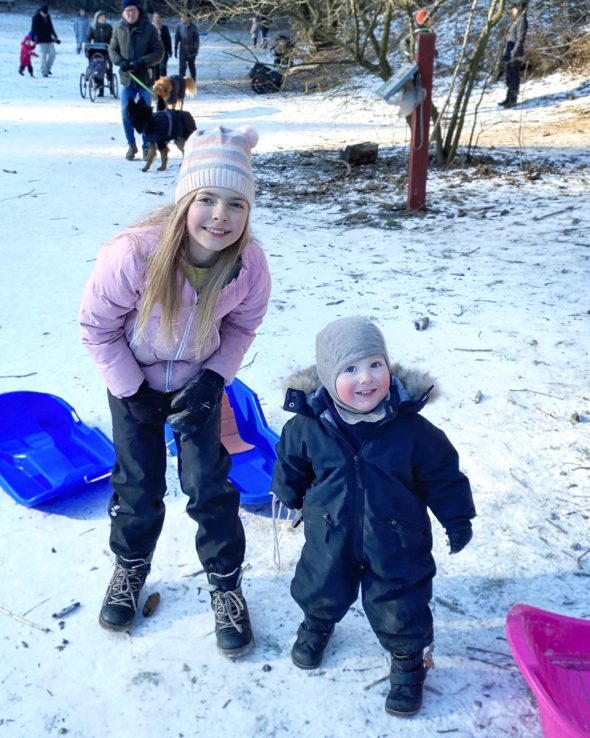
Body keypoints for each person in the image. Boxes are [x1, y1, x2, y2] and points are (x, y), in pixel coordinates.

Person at [79, 126, 271, 658]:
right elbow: (96, 327)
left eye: (235, 203)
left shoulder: (248, 267)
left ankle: (226, 581)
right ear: (186, 198)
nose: (220, 216)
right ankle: (131, 565)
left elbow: (241, 329)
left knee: (208, 486)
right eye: (206, 198)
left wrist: (214, 381)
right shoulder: (133, 255)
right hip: (132, 380)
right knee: (139, 485)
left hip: (195, 385)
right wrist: (130, 389)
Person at [272, 316, 476, 717]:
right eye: (350, 369)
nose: (366, 378)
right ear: (329, 377)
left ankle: (406, 660)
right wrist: (288, 493)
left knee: (400, 602)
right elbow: (291, 463)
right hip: (329, 533)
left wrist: (457, 517)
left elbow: (443, 474)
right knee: (319, 585)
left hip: (397, 539)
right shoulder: (308, 427)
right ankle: (317, 624)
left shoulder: (412, 430)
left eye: (375, 364)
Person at [109, 0, 164, 161]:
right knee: (126, 112)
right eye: (127, 11)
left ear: (138, 11)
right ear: (123, 13)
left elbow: (159, 52)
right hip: (127, 79)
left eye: (133, 10)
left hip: (144, 79)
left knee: (146, 112)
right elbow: (111, 49)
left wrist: (144, 61)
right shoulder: (118, 29)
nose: (130, 14)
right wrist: (120, 62)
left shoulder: (149, 29)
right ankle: (131, 145)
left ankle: (147, 146)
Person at [499, 1, 528, 108]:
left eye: (514, 9)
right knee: (509, 77)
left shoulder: (522, 21)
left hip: (514, 54)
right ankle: (508, 98)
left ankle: (512, 100)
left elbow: (520, 39)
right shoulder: (516, 21)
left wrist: (514, 52)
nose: (512, 11)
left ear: (519, 9)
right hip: (509, 53)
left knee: (514, 77)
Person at [87, 11, 113, 98]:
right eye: (101, 17)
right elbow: (88, 38)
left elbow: (112, 38)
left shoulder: (108, 27)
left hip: (107, 50)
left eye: (104, 17)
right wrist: (87, 47)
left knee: (108, 68)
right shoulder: (93, 28)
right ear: (97, 18)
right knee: (97, 67)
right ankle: (99, 88)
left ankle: (111, 83)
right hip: (96, 50)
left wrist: (111, 45)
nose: (103, 19)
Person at [30, 4, 61, 78]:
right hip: (41, 40)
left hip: (49, 39)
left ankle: (47, 69)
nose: (45, 15)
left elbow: (51, 27)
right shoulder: (36, 18)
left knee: (52, 54)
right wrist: (32, 39)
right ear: (41, 12)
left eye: (46, 14)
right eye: (44, 13)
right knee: (43, 56)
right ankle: (44, 72)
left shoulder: (48, 17)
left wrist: (55, 36)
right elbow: (33, 29)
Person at [174, 13, 199, 81]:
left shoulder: (193, 27)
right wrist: (175, 49)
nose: (183, 19)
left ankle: (193, 81)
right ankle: (182, 82)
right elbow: (177, 38)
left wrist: (196, 49)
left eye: (184, 17)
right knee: (182, 67)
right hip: (182, 49)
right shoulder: (179, 27)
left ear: (188, 18)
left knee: (191, 66)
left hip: (191, 49)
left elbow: (197, 39)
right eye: (182, 17)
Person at [152, 12, 172, 80]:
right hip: (153, 52)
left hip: (163, 51)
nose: (157, 19)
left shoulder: (164, 28)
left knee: (162, 67)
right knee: (156, 68)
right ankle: (156, 84)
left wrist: (170, 50)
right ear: (153, 19)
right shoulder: (150, 28)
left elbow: (168, 39)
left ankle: (164, 83)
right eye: (155, 18)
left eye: (158, 17)